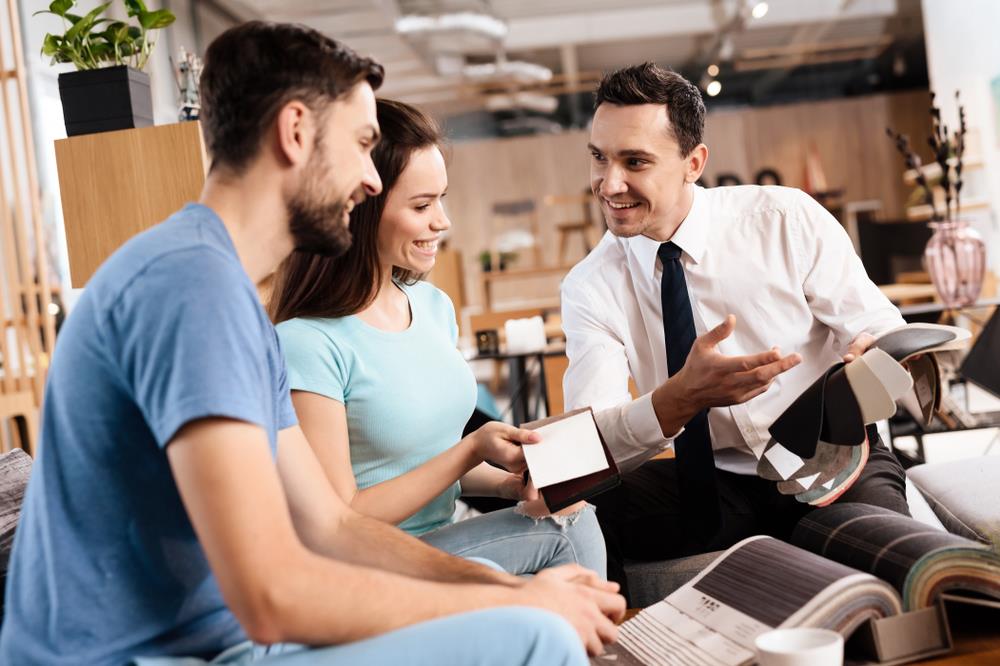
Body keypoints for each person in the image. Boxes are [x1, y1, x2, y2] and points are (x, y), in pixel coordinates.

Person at [0, 22, 624, 666]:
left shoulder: (226, 292)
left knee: (538, 608)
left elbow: (332, 524)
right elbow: (270, 596)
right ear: (295, 132)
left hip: (221, 644)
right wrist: (515, 604)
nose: (371, 181)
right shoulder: (193, 289)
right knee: (537, 634)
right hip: (148, 656)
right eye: (360, 145)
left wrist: (498, 583)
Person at [560, 62, 910, 599]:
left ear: (693, 163)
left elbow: (879, 326)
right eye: (599, 158)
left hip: (830, 462)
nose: (609, 184)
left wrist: (873, 355)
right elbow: (590, 443)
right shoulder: (590, 286)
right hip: (708, 482)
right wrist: (676, 400)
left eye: (635, 162)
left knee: (887, 569)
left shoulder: (783, 219)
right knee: (577, 512)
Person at [269, 98, 607, 578]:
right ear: (360, 209)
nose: (442, 221)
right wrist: (470, 449)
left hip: (442, 540)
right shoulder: (306, 344)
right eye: (422, 205)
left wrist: (511, 483)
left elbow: (429, 463)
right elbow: (339, 518)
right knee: (568, 532)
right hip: (371, 565)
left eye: (441, 199)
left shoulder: (432, 308)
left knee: (569, 511)